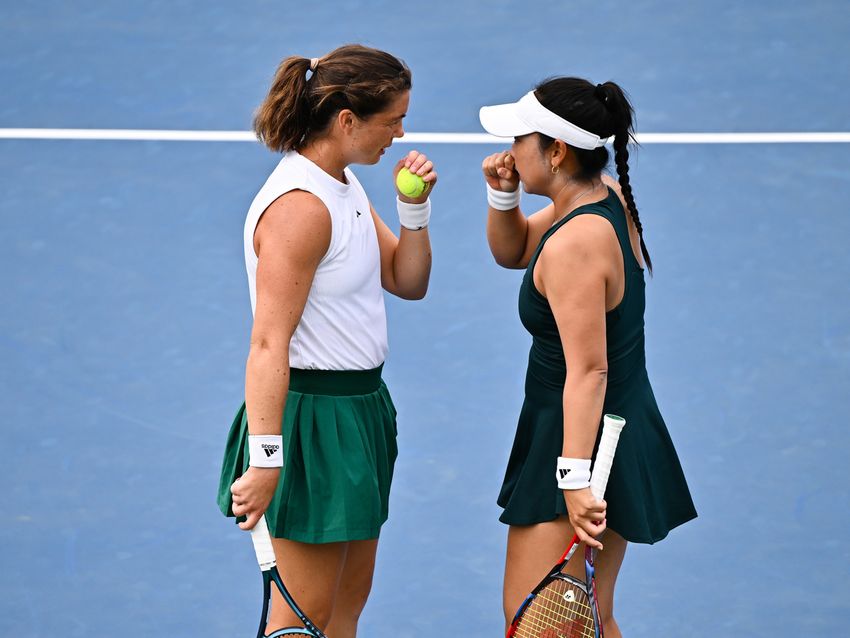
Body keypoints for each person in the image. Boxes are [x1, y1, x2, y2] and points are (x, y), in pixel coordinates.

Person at [216, 44, 436, 637]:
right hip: (311, 424)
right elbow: (268, 343)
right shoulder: (301, 209)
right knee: (303, 618)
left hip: (361, 413)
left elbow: (408, 281)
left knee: (345, 607)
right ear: (347, 121)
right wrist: (267, 459)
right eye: (392, 120)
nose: (400, 133)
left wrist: (413, 211)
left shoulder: (343, 185)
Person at [479, 77, 697, 636]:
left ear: (556, 152)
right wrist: (504, 195)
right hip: (606, 426)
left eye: (520, 139)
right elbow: (514, 250)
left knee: (537, 622)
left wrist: (574, 479)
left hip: (580, 438)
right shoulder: (602, 197)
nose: (510, 150)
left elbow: (589, 369)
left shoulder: (577, 243)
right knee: (588, 617)